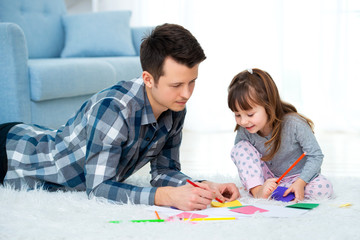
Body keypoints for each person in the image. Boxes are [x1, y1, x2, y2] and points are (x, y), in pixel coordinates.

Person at [0, 23, 240, 211]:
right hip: (14, 155)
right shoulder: (114, 110)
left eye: (192, 82)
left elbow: (164, 172)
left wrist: (203, 187)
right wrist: (164, 196)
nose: (186, 93)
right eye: (177, 84)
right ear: (148, 79)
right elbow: (99, 188)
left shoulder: (175, 108)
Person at [228, 68, 333, 201]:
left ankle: (285, 191)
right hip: (265, 179)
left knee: (324, 188)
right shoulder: (244, 130)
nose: (243, 121)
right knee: (240, 147)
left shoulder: (295, 124)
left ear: (268, 106)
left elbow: (316, 156)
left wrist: (301, 183)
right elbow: (243, 159)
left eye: (250, 114)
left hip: (298, 177)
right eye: (237, 115)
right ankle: (258, 191)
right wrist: (259, 185)